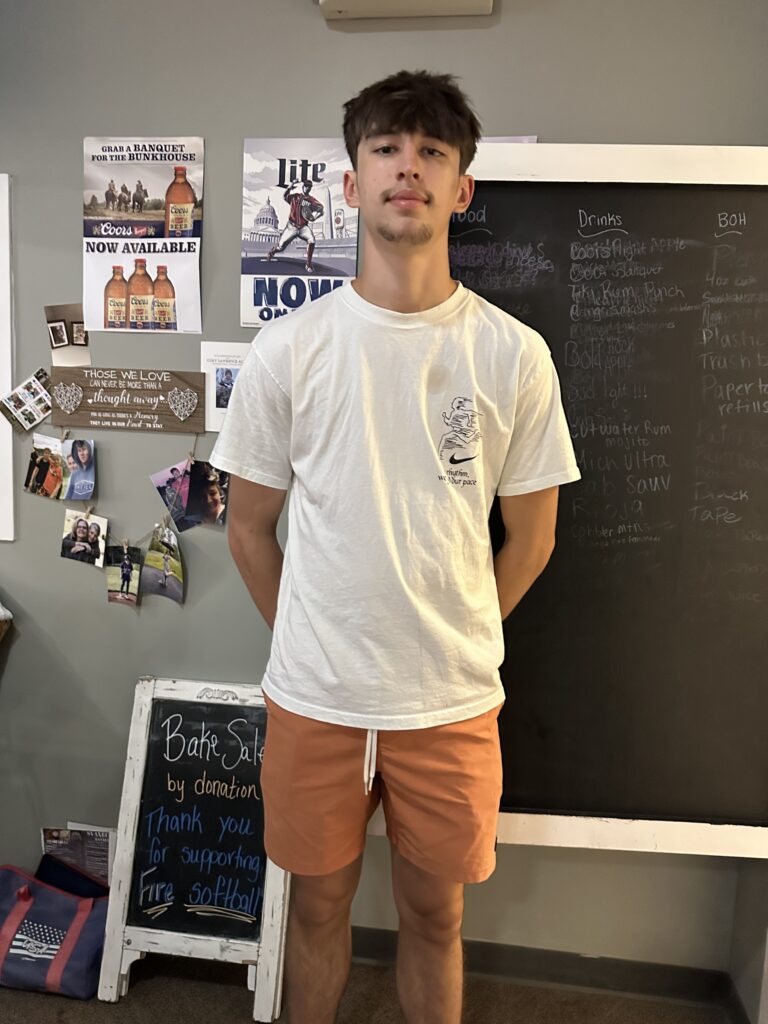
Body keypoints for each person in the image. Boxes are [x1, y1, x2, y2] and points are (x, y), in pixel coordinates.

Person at [211, 70, 581, 1024]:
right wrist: (310, 635)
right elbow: (247, 527)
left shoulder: (512, 355)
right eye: (385, 149)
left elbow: (533, 536)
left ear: (462, 187)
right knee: (316, 910)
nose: (406, 168)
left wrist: (457, 629)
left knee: (436, 916)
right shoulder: (289, 350)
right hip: (316, 698)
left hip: (449, 701)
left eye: (431, 153)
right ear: (350, 183)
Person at [266, 179, 324, 273]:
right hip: (291, 227)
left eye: (309, 187)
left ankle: (308, 264)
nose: (307, 188)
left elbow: (321, 209)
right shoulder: (295, 196)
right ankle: (272, 252)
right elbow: (285, 196)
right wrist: (292, 184)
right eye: (306, 186)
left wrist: (315, 217)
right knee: (280, 247)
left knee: (312, 240)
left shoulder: (311, 200)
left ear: (310, 188)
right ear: (303, 187)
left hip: (303, 227)